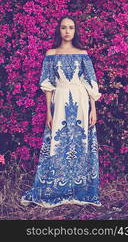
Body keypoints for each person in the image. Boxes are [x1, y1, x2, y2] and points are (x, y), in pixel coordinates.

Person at [21, 15, 102, 208]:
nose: (67, 31)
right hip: (59, 101)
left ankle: (80, 190)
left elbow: (90, 82)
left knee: (80, 142)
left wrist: (94, 109)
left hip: (81, 101)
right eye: (64, 27)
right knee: (58, 143)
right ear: (59, 30)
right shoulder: (52, 54)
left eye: (71, 27)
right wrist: (49, 111)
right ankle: (55, 189)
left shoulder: (83, 53)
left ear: (75, 31)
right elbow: (47, 84)